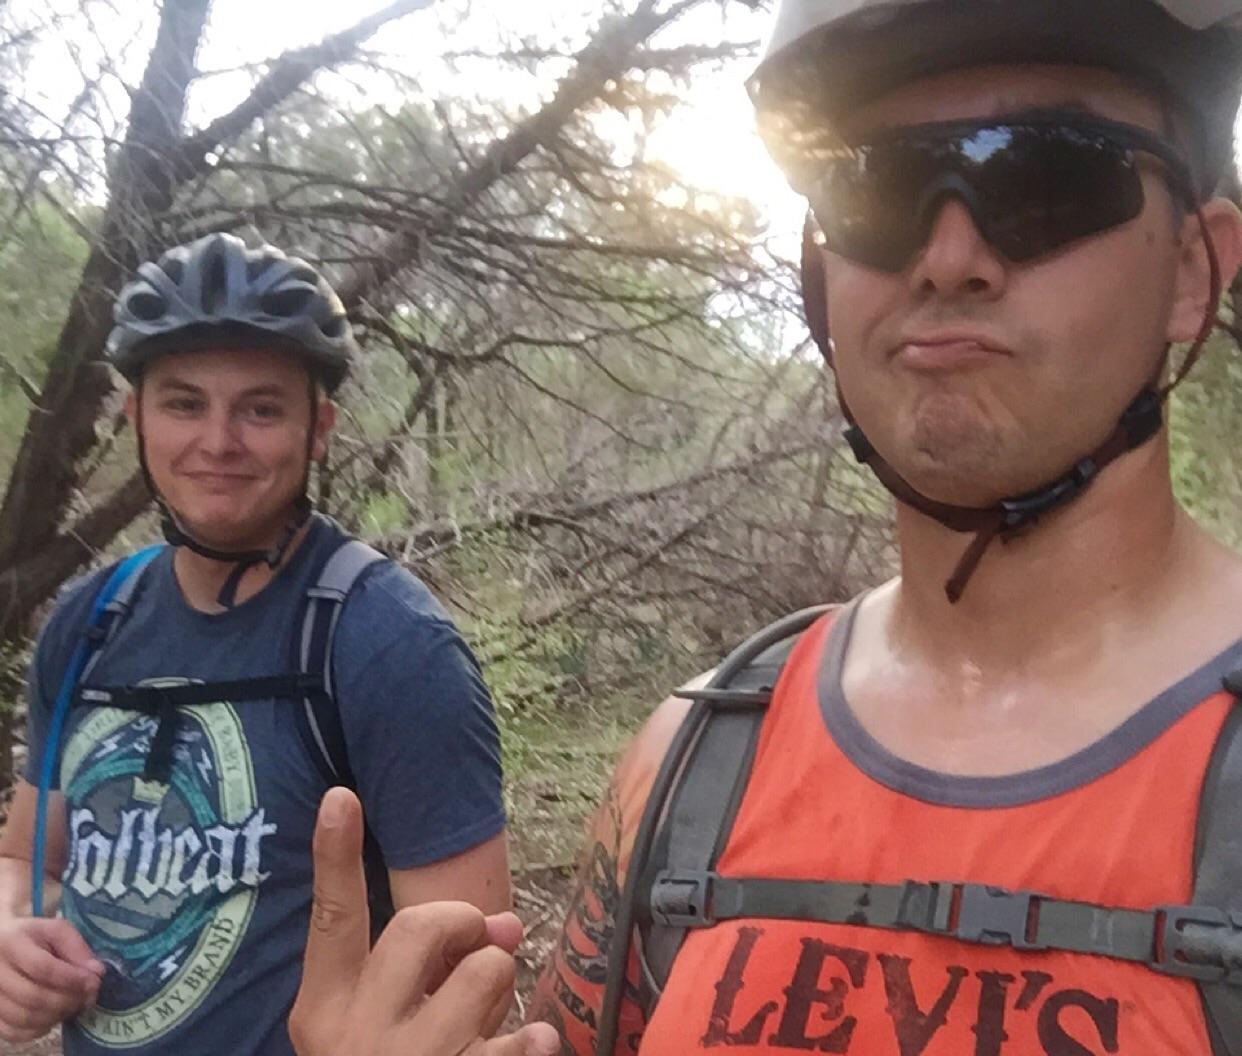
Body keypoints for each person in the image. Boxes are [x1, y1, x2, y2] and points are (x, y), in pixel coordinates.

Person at [291, 0, 1242, 1053]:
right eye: (873, 188)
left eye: (1048, 179)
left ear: (1193, 272)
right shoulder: (692, 762)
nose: (950, 254)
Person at [0, 232, 510, 1054]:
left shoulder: (389, 646)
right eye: (184, 402)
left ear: (319, 429)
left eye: (261, 408)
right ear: (135, 416)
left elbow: (471, 974)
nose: (219, 441)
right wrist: (12, 936)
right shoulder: (89, 622)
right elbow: (30, 859)